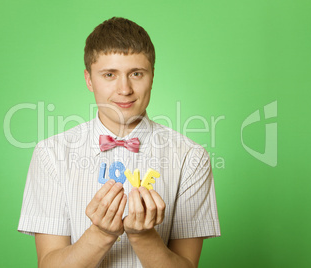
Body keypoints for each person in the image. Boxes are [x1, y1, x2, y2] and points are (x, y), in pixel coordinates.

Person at [18, 17, 220, 268]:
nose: (124, 89)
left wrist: (143, 236)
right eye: (109, 74)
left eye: (136, 73)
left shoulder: (191, 157)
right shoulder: (50, 154)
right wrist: (101, 234)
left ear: (152, 76)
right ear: (89, 79)